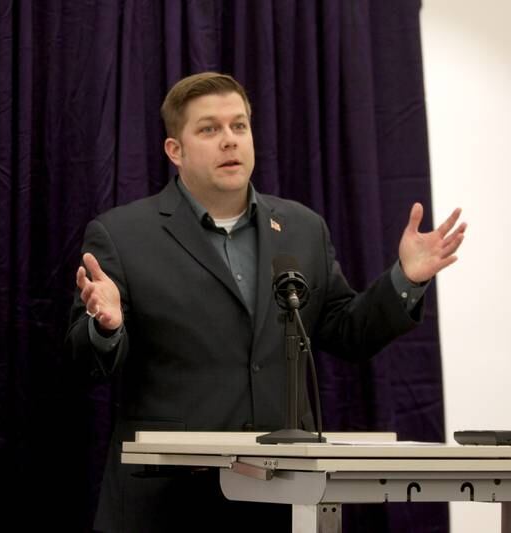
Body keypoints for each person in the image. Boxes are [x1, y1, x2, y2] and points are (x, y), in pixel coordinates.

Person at [66, 72, 466, 532]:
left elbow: (346, 331)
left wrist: (405, 280)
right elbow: (84, 364)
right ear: (175, 151)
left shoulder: (301, 227)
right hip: (168, 500)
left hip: (281, 499)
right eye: (209, 129)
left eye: (239, 126)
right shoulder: (122, 234)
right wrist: (107, 327)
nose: (229, 141)